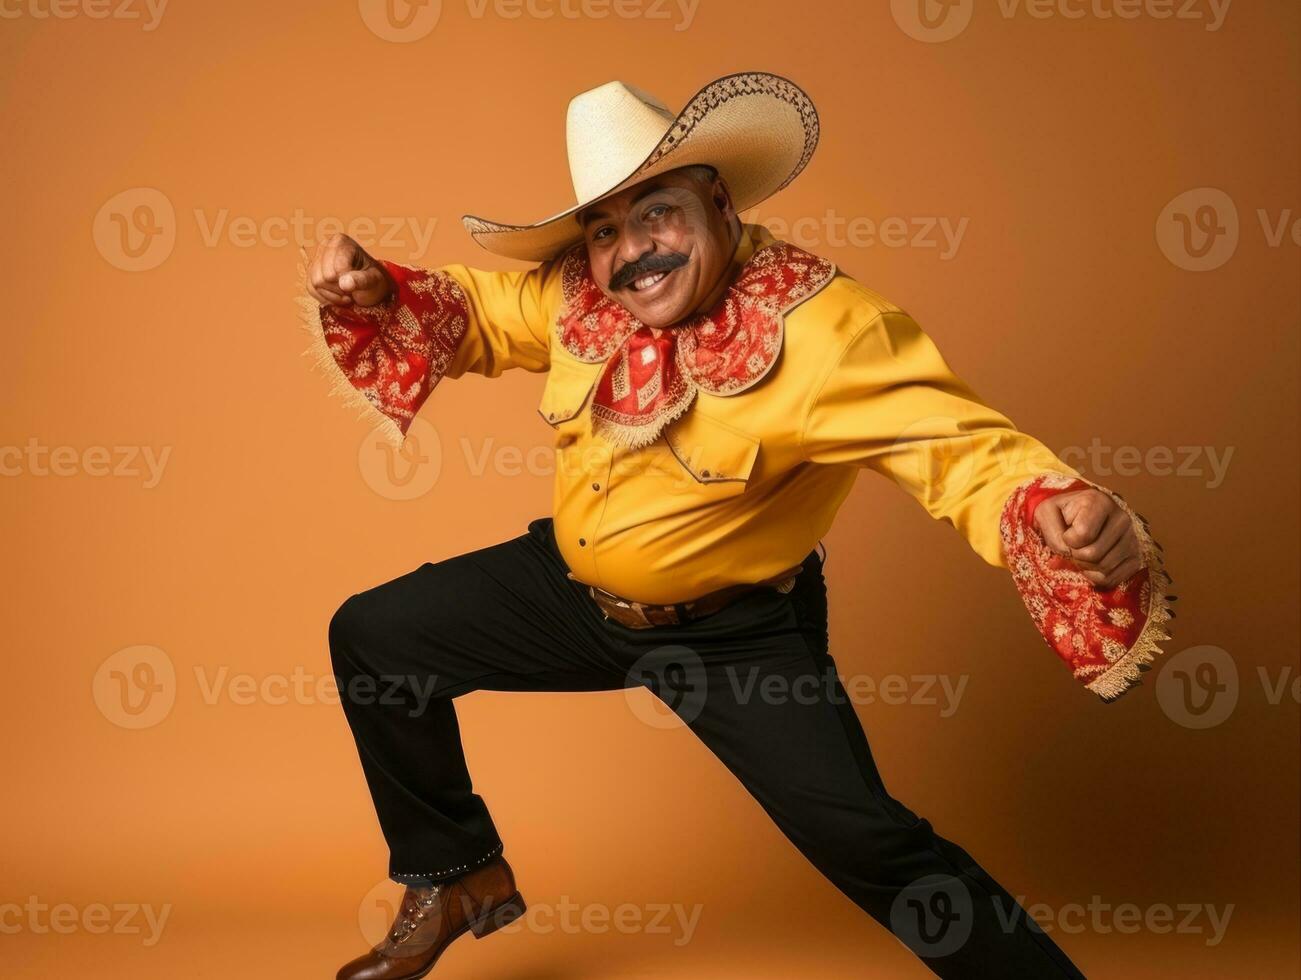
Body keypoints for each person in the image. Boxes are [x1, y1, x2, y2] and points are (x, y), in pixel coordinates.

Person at [302, 72, 1170, 979]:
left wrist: (1051, 503)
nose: (631, 252)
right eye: (604, 230)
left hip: (735, 636)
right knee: (377, 636)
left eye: (657, 215)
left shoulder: (832, 330)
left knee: (869, 845)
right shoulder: (580, 296)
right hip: (570, 592)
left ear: (717, 201)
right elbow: (480, 311)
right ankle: (457, 875)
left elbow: (958, 451)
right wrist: (373, 289)